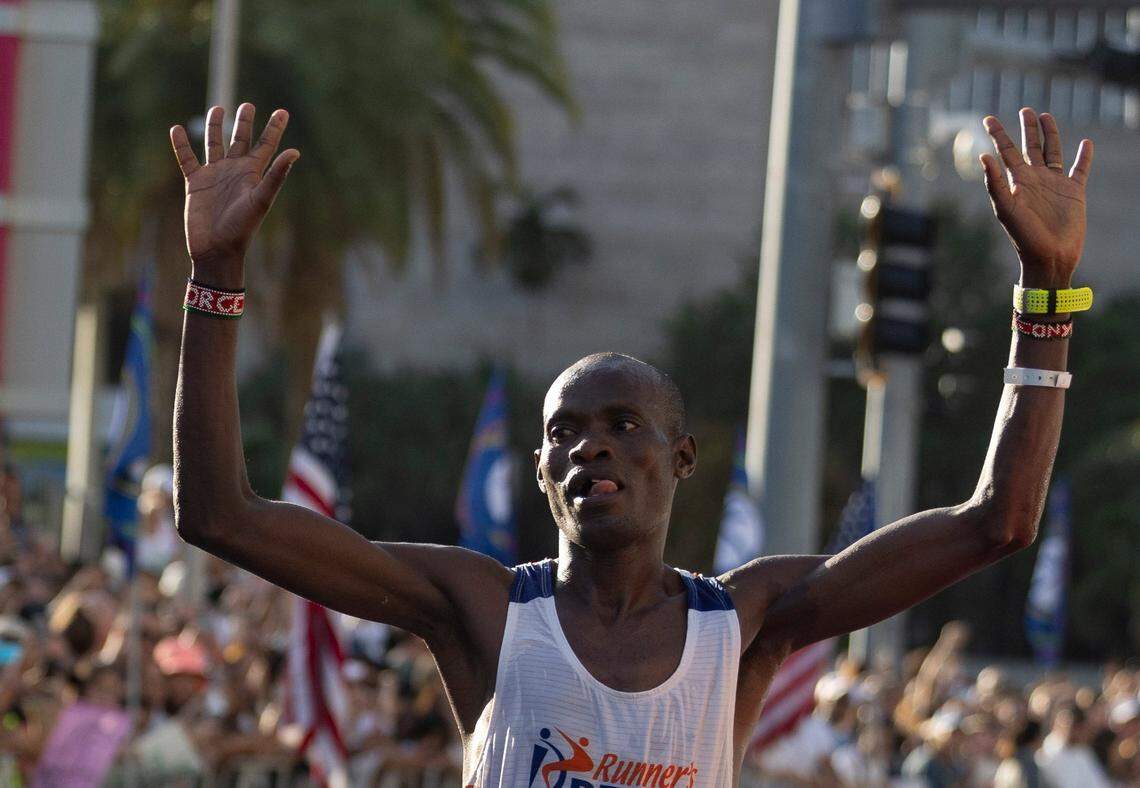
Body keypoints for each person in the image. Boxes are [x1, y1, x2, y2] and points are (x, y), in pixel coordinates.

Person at [169, 102, 1093, 785]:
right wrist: (215, 278)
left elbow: (997, 524)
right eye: (563, 433)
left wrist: (1047, 294)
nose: (590, 449)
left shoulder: (749, 621)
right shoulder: (480, 608)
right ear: (539, 473)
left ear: (681, 458)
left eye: (622, 426)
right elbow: (220, 516)